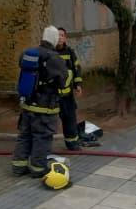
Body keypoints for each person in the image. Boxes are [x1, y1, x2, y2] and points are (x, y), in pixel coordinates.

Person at [11, 26, 69, 178]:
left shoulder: (27, 53)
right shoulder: (55, 58)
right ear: (55, 39)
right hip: (45, 108)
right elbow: (63, 82)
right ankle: (37, 169)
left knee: (25, 135)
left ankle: (18, 167)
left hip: (27, 104)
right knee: (41, 137)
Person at [55, 27, 83, 151]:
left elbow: (76, 69)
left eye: (62, 35)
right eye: (58, 35)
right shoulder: (49, 52)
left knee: (70, 119)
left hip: (67, 96)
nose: (60, 37)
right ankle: (42, 147)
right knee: (48, 122)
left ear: (65, 38)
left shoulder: (70, 52)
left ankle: (72, 143)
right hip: (53, 96)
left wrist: (78, 85)